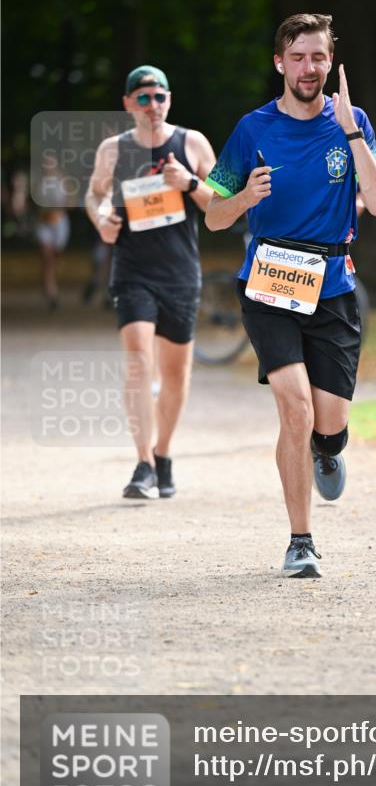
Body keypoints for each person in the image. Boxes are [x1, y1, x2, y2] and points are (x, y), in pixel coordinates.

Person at [205, 13, 376, 579]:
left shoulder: (351, 121)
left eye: (319, 57)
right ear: (279, 64)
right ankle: (300, 540)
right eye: (299, 57)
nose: (309, 68)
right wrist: (242, 199)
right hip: (269, 280)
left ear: (330, 63)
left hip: (333, 286)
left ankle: (328, 448)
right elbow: (214, 216)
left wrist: (353, 132)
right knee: (295, 406)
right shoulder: (253, 129)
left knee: (326, 426)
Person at [85, 65, 215, 499]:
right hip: (132, 268)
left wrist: (190, 182)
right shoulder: (113, 149)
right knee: (139, 358)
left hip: (180, 273)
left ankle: (163, 455)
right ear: (128, 104)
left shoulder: (191, 143)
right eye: (143, 98)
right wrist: (101, 218)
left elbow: (220, 204)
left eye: (159, 97)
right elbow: (95, 193)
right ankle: (142, 464)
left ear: (169, 100)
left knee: (176, 375)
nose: (152, 105)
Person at [35, 152, 72, 308]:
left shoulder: (63, 181)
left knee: (53, 259)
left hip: (59, 223)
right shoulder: (38, 181)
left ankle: (48, 284)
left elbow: (71, 202)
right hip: (44, 224)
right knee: (47, 257)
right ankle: (51, 290)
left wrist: (59, 207)